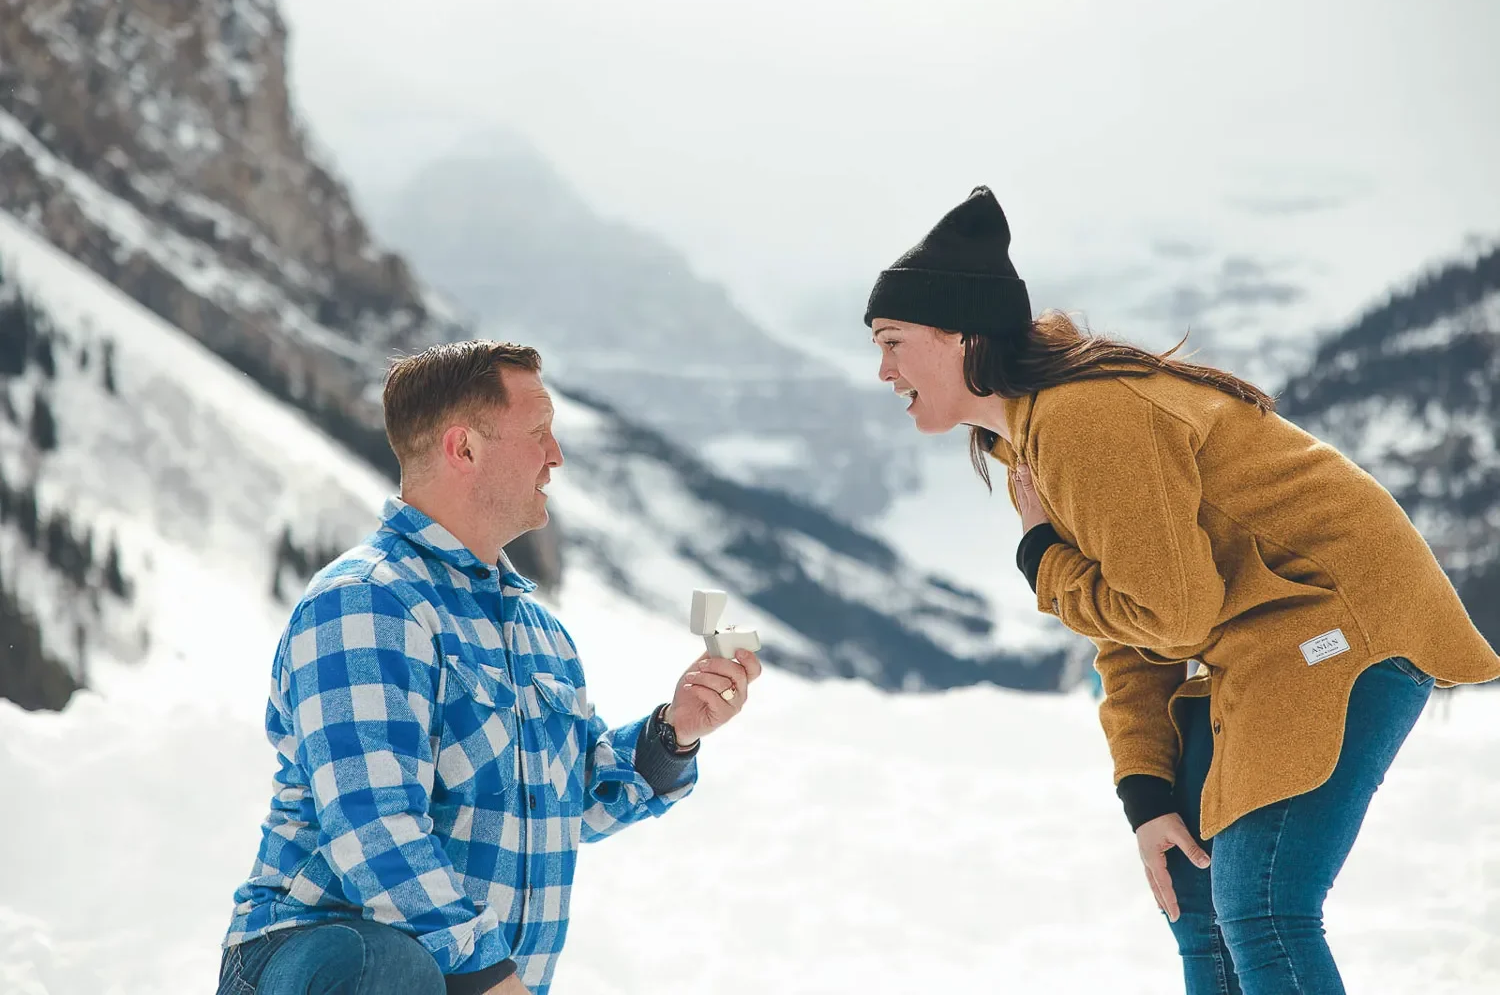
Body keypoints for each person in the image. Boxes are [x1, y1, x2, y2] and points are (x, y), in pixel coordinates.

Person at [863, 186, 1500, 994]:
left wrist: (1042, 562)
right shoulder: (1033, 442)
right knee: (1196, 908)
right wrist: (1147, 791)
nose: (882, 370)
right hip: (1257, 647)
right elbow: (1130, 631)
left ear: (963, 336)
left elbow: (1170, 614)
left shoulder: (1083, 418)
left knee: (1265, 908)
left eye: (893, 342)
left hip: (1335, 629)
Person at [217, 341, 762, 995]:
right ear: (464, 449)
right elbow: (374, 829)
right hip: (332, 966)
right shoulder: (366, 603)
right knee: (392, 967)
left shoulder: (540, 635)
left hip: (470, 983)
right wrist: (490, 977)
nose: (556, 455)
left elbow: (567, 801)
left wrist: (676, 731)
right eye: (538, 434)